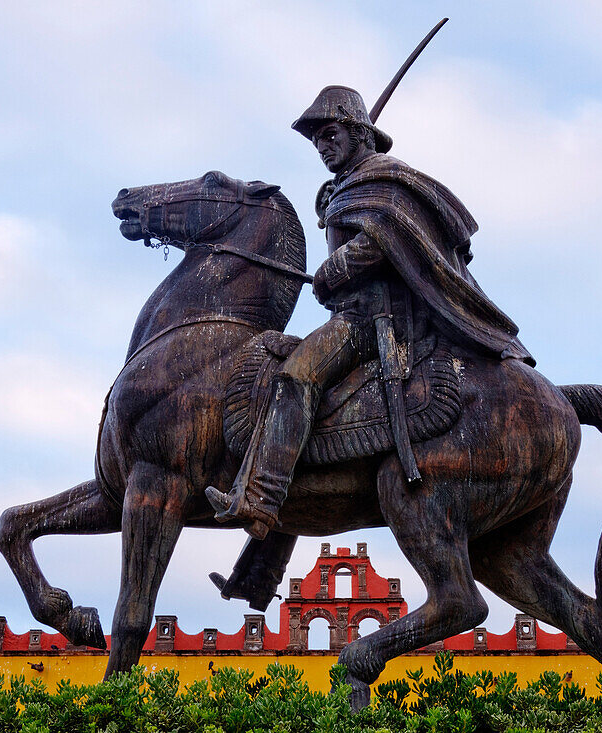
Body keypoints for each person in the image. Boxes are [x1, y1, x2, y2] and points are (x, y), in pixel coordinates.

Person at [206, 85, 534, 542]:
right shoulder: (354, 186)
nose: (322, 146)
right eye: (316, 139)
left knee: (296, 377)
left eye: (330, 133)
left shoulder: (384, 179)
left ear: (359, 131)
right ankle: (264, 566)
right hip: (357, 314)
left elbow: (382, 239)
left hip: (374, 321)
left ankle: (260, 499)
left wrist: (331, 270)